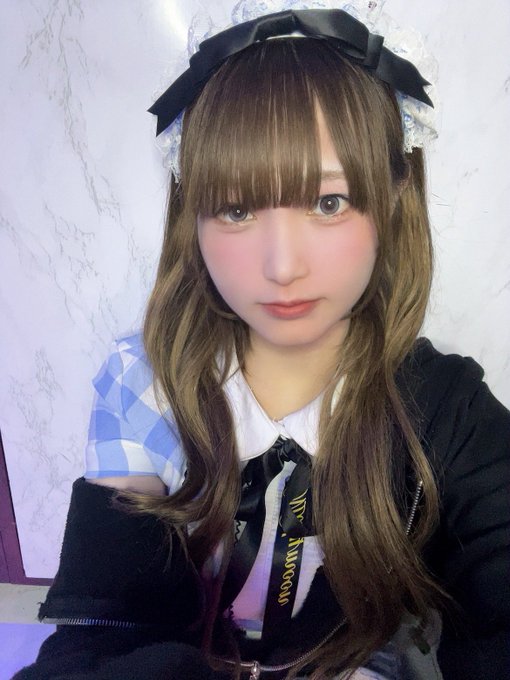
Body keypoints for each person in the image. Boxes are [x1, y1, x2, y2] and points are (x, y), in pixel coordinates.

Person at [15, 4, 510, 680]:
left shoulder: (445, 408)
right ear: (192, 212)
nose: (282, 267)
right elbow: (102, 630)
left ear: (394, 194)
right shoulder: (145, 386)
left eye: (329, 203)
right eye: (237, 208)